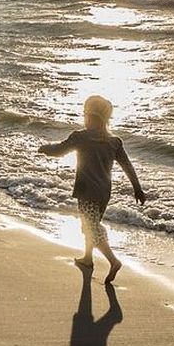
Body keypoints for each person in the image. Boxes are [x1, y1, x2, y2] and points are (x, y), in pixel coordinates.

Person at [39, 95, 146, 283]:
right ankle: (87, 258)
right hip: (104, 192)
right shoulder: (114, 142)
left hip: (86, 191)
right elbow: (127, 165)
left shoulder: (80, 137)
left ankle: (113, 261)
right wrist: (137, 188)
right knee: (92, 224)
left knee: (91, 227)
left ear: (89, 116)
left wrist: (45, 149)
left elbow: (59, 151)